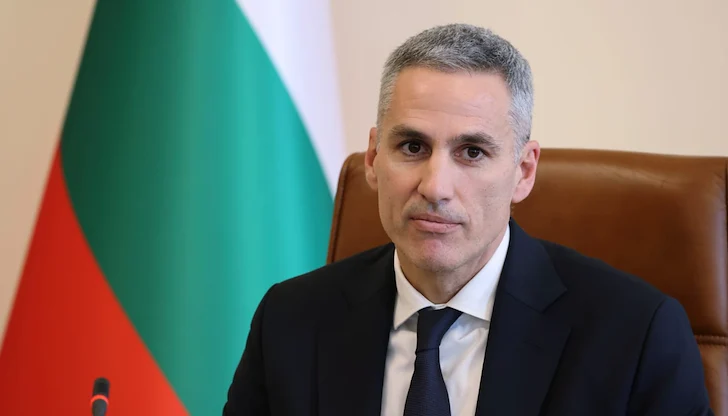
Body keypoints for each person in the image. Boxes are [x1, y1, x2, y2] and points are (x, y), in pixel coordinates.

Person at [223, 23, 713, 416]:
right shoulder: (290, 320)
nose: (435, 187)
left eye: (472, 152)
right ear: (373, 158)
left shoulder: (636, 335)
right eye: (411, 146)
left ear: (523, 172)